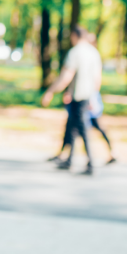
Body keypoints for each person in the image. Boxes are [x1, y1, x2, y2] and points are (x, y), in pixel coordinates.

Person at [41, 26, 102, 175]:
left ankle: (90, 163)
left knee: (81, 129)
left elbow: (66, 77)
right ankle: (69, 159)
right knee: (73, 127)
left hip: (78, 97)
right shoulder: (93, 52)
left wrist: (50, 92)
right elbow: (97, 78)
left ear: (75, 36)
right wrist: (94, 96)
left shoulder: (75, 52)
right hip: (87, 96)